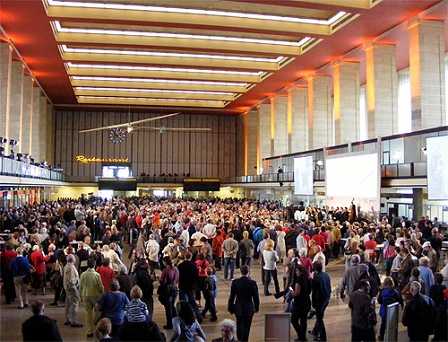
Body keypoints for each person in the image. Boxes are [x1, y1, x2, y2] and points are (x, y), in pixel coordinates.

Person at [228, 265, 260, 342]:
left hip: (238, 307)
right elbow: (255, 297)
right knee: (246, 327)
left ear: (241, 272)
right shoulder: (252, 283)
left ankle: (239, 339)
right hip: (248, 307)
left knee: (239, 326)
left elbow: (232, 296)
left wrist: (230, 307)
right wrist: (256, 307)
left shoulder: (235, 282)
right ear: (248, 272)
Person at [79, 258, 104, 338]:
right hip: (95, 295)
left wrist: (80, 296)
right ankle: (97, 329)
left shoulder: (83, 274)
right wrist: (102, 294)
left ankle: (89, 331)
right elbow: (100, 287)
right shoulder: (96, 275)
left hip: (85, 295)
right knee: (98, 313)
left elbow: (81, 286)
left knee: (88, 313)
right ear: (94, 265)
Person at [308, 260, 331, 342]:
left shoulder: (316, 278)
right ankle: (315, 331)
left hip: (319, 301)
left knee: (320, 318)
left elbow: (315, 292)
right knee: (320, 316)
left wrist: (313, 303)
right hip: (326, 298)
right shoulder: (326, 275)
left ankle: (323, 337)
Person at [178, 251, 203, 322]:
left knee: (183, 303)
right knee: (192, 301)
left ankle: (185, 317)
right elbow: (197, 276)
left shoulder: (180, 266)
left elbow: (178, 276)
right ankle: (198, 316)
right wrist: (198, 285)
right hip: (191, 286)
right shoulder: (193, 266)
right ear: (191, 257)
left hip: (182, 285)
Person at [290, 265, 312, 342]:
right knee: (303, 321)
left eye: (297, 271)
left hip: (299, 304)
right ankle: (303, 336)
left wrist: (291, 292)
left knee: (294, 320)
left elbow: (296, 293)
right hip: (307, 302)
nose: (296, 272)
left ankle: (301, 336)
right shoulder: (307, 280)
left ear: (301, 272)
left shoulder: (298, 282)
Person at [377, 276, 403, 341]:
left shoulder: (382, 291)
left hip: (384, 310)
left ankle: (381, 336)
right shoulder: (396, 291)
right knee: (393, 324)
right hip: (393, 311)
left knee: (383, 324)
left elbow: (379, 301)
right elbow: (399, 300)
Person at [158, 256, 179, 329]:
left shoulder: (166, 270)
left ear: (165, 262)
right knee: (172, 305)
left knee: (168, 307)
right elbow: (177, 279)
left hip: (167, 290)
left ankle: (169, 323)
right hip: (174, 289)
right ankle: (176, 320)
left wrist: (159, 279)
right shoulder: (176, 269)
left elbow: (162, 281)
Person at [63, 254, 83, 327]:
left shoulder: (66, 266)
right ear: (72, 260)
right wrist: (74, 287)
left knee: (68, 303)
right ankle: (74, 320)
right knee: (74, 303)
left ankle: (68, 318)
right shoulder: (71, 268)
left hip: (67, 287)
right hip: (71, 288)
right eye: (74, 258)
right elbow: (71, 279)